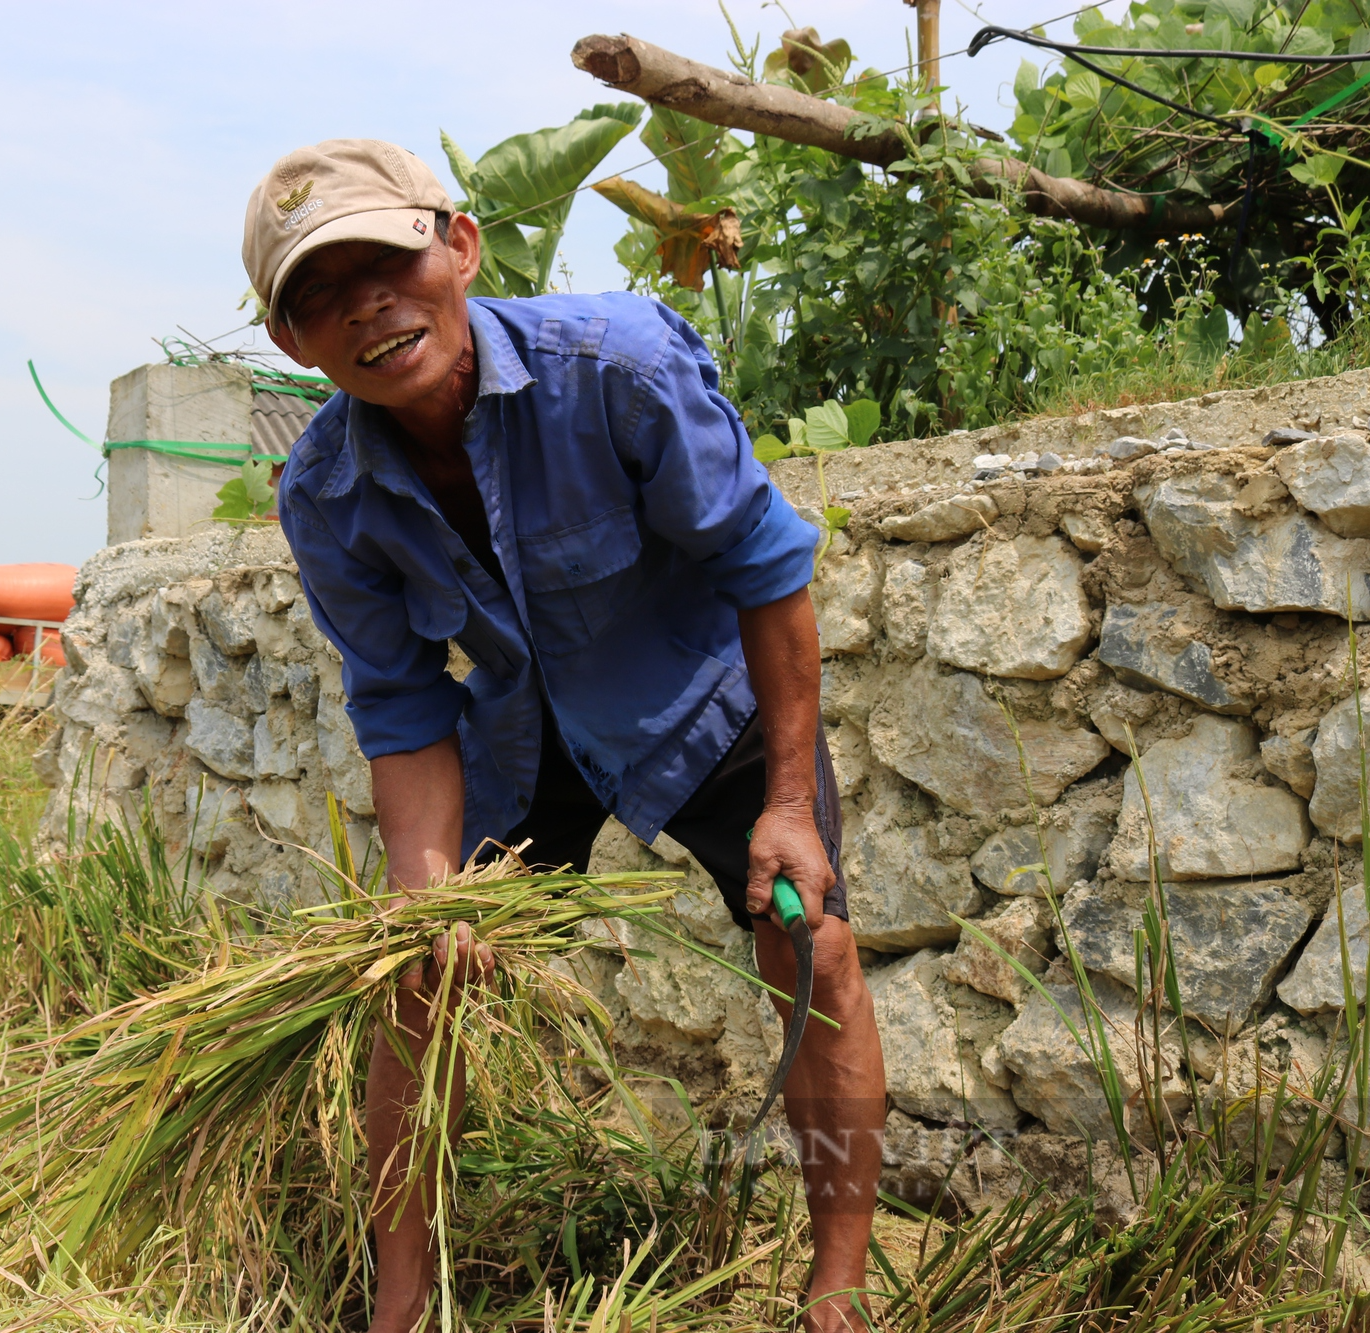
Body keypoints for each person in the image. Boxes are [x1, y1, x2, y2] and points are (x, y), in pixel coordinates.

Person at [241, 138, 886, 1333]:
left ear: (460, 245)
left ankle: (836, 1285)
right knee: (414, 977)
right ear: (292, 343)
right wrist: (423, 895)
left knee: (813, 946)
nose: (367, 310)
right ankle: (399, 1303)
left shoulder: (616, 368)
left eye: (387, 261)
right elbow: (397, 699)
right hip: (518, 736)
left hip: (702, 705)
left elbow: (765, 568)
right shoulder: (324, 491)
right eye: (319, 297)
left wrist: (788, 803)